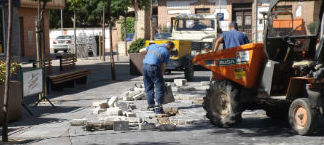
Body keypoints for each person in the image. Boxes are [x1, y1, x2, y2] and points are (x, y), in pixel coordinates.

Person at [140, 41, 174, 114]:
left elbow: (141, 51)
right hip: (154, 67)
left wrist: (149, 55)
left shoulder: (153, 46)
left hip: (145, 66)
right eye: (171, 50)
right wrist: (162, 74)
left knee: (148, 86)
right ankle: (158, 107)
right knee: (159, 86)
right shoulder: (166, 52)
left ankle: (150, 105)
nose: (170, 51)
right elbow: (163, 65)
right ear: (170, 48)